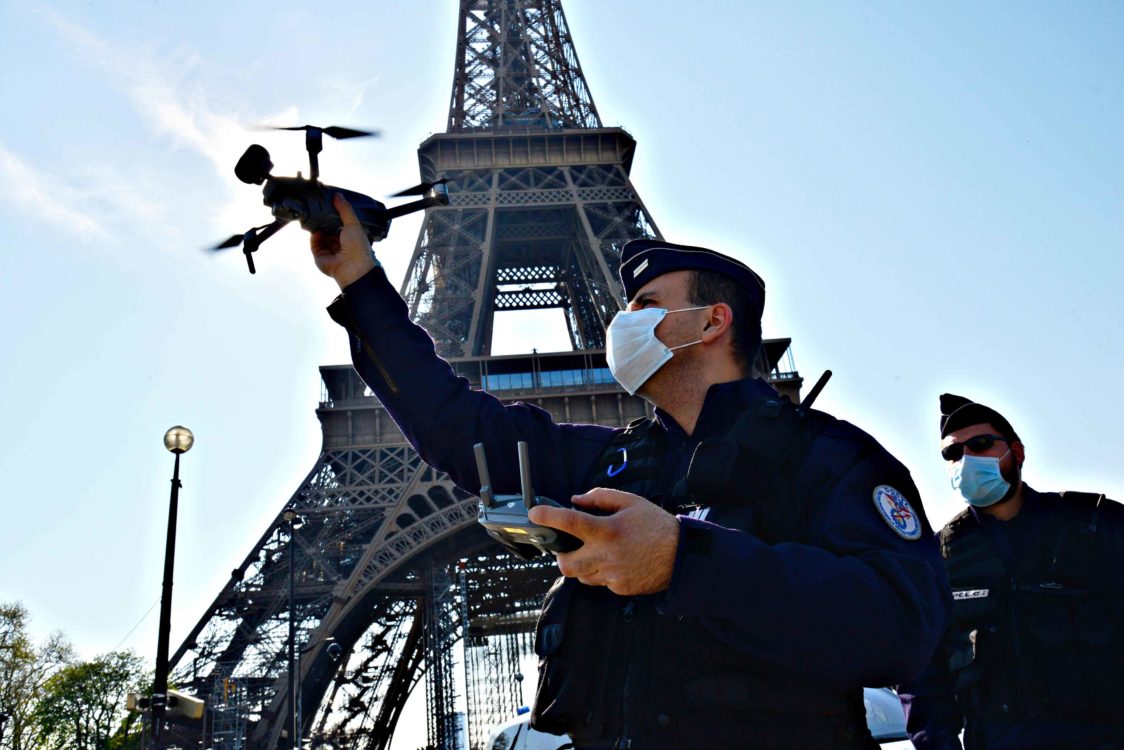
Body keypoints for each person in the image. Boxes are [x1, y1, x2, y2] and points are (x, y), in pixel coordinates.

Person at [311, 194, 949, 749]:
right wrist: (360, 282)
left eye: (645, 303)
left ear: (712, 321)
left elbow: (902, 626)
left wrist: (686, 560)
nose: (624, 320)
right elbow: (455, 424)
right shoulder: (605, 462)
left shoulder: (828, 456)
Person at [898, 394, 1124, 749]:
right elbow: (921, 676)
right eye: (953, 454)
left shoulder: (1094, 525)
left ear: (1016, 453)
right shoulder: (938, 557)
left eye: (982, 444)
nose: (967, 459)